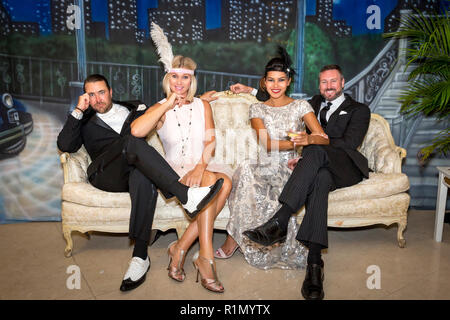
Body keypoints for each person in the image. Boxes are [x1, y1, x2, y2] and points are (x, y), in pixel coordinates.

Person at [57, 74, 224, 292]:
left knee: (143, 174)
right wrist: (79, 110)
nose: (97, 99)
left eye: (101, 92)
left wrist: (199, 99)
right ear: (86, 97)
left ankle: (140, 256)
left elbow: (166, 108)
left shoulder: (134, 107)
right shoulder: (85, 120)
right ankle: (184, 194)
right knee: (132, 139)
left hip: (133, 171)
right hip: (105, 174)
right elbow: (65, 144)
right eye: (91, 94)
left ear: (111, 92)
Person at [242, 64, 371, 300]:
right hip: (321, 168)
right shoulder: (310, 103)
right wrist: (248, 90)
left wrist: (310, 142)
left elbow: (348, 144)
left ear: (343, 83)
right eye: (324, 82)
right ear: (319, 85)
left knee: (314, 150)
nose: (328, 86)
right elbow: (276, 100)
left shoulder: (359, 110)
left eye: (333, 81)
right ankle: (314, 265)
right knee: (319, 179)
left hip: (347, 166)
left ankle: (280, 220)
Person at [215, 47, 329, 271]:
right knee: (246, 169)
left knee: (251, 171)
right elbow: (267, 144)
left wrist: (308, 140)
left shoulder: (301, 106)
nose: (275, 85)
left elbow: (323, 140)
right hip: (264, 163)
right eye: (271, 80)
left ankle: (244, 238)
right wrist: (301, 141)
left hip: (291, 167)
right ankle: (236, 238)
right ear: (264, 83)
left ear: (288, 82)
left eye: (281, 80)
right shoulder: (257, 108)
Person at [131, 53, 233, 293]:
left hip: (202, 164)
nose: (179, 82)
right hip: (174, 170)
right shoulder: (160, 107)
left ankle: (180, 248)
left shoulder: (203, 105)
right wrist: (167, 103)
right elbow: (136, 131)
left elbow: (210, 142)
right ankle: (206, 260)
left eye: (185, 77)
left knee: (225, 181)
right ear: (167, 78)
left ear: (192, 80)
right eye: (174, 76)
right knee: (216, 183)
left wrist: (200, 166)